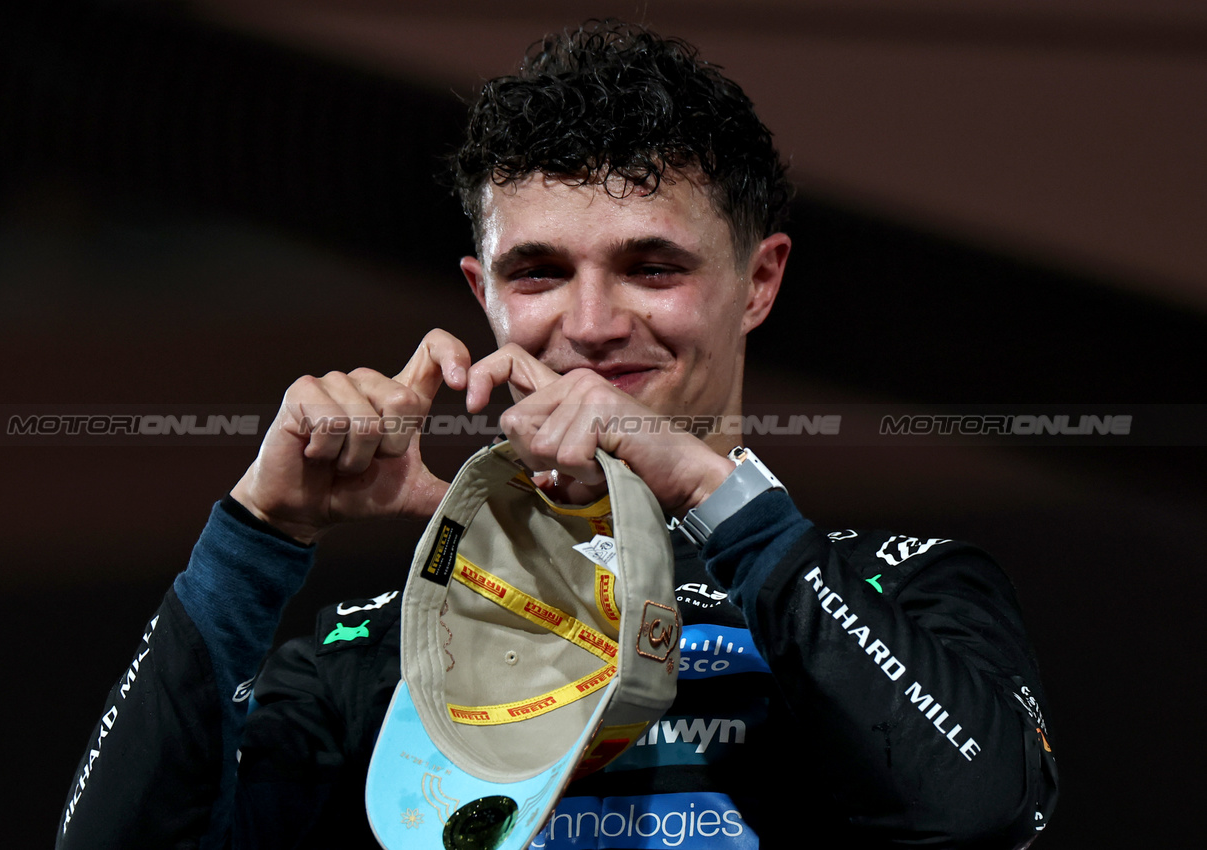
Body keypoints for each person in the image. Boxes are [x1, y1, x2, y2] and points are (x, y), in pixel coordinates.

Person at [57, 20, 1058, 849]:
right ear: (480, 292)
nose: (589, 324)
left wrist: (707, 494)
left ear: (760, 281)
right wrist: (256, 539)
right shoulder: (377, 654)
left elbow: (975, 810)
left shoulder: (906, 590)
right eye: (537, 271)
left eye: (652, 268)